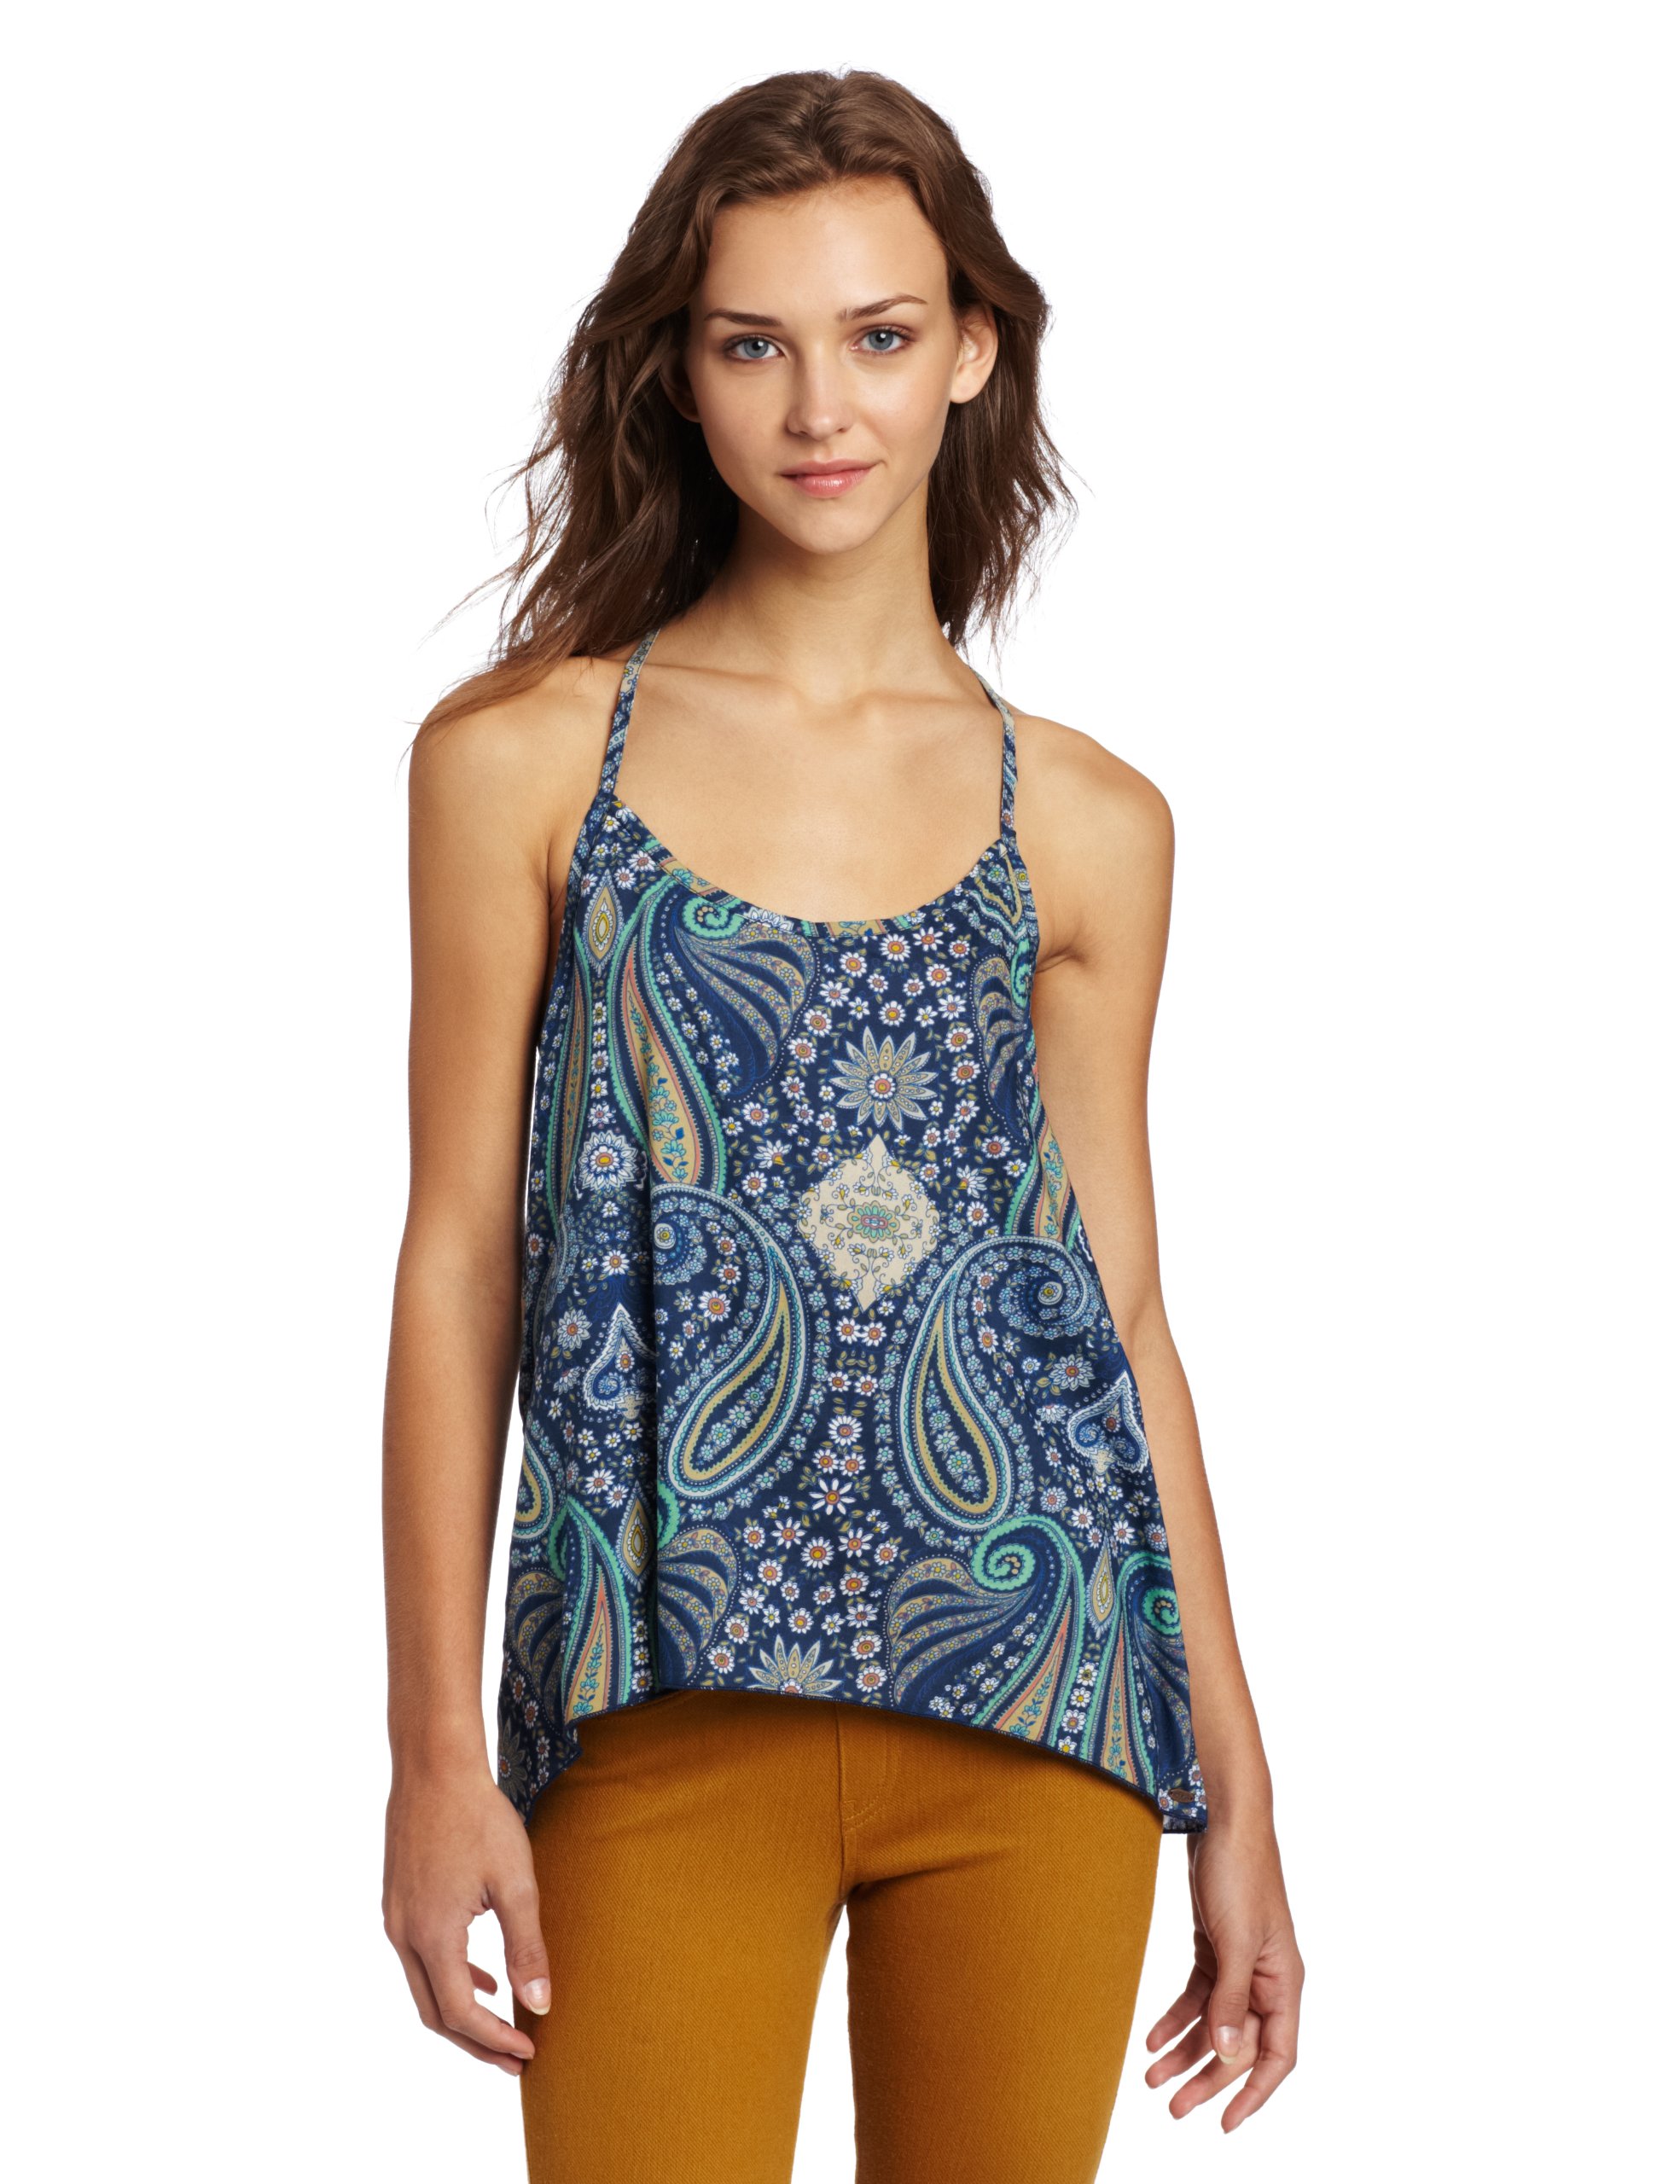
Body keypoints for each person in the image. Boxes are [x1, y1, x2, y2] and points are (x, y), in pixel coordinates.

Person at [381, 66, 1304, 2184]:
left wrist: (1238, 1787)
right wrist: (434, 1746)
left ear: (971, 348)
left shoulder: (1089, 820)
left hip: (1045, 1709)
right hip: (654, 1707)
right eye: (753, 343)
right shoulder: (525, 760)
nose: (823, 407)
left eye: (879, 335)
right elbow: (457, 1256)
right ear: (677, 369)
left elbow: (1122, 1318)